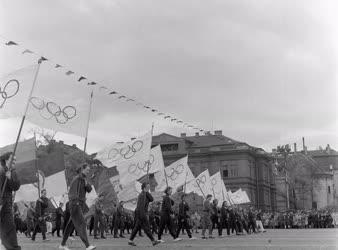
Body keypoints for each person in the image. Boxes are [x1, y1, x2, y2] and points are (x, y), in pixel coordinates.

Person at [59, 163, 96, 250]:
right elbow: (72, 193)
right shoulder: (77, 179)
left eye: (89, 170)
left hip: (80, 205)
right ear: (82, 169)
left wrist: (86, 183)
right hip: (75, 204)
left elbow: (89, 190)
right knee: (82, 222)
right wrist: (76, 203)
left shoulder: (83, 179)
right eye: (87, 170)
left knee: (70, 225)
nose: (88, 171)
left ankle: (62, 244)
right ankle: (87, 245)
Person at [128, 182, 160, 247]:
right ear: (144, 187)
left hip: (141, 213)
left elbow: (151, 199)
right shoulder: (142, 195)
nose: (149, 187)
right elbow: (140, 206)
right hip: (141, 213)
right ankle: (153, 241)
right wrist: (143, 216)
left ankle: (130, 240)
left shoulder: (145, 194)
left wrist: (147, 192)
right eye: (148, 186)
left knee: (136, 228)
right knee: (147, 227)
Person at [0, 152, 21, 250]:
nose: (14, 162)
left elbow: (16, 186)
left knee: (9, 228)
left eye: (15, 160)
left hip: (6, 204)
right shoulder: (0, 170)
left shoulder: (13, 172)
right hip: (1, 203)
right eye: (12, 159)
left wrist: (10, 178)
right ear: (6, 160)